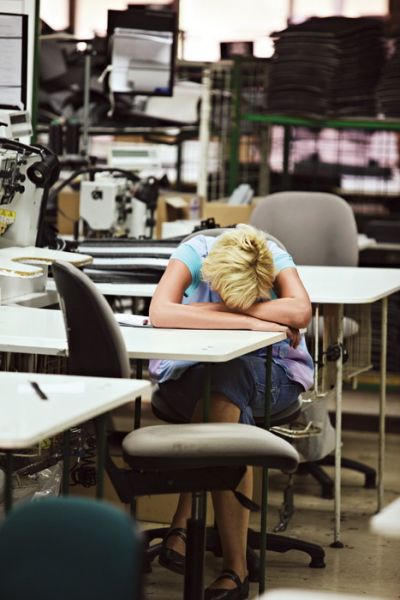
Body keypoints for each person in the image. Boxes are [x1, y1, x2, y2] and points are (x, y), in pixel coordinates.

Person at [148, 224, 313, 600]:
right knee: (220, 387)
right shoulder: (195, 251)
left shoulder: (272, 255)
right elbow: (160, 311)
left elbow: (301, 310)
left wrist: (199, 311)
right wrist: (249, 318)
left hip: (270, 375)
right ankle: (235, 568)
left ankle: (185, 522)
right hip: (190, 370)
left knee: (227, 381)